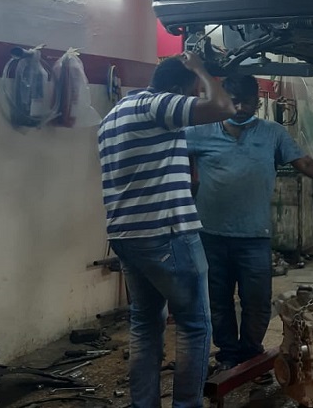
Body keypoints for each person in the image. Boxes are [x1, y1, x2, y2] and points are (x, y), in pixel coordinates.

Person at [185, 75, 313, 378]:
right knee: (218, 301)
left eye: (247, 102)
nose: (240, 108)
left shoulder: (272, 134)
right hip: (211, 236)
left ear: (258, 103)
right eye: (233, 102)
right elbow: (167, 152)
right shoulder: (199, 133)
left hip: (254, 237)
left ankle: (251, 356)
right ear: (221, 102)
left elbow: (305, 164)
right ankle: (228, 355)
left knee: (257, 303)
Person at [97, 52, 235, 408]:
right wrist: (199, 69)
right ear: (176, 89)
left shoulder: (113, 116)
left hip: (126, 237)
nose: (195, 98)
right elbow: (223, 107)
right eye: (192, 92)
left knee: (145, 324)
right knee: (194, 324)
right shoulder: (157, 105)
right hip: (167, 234)